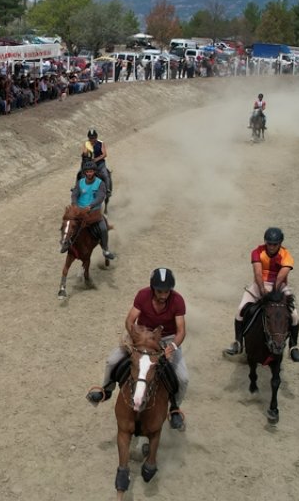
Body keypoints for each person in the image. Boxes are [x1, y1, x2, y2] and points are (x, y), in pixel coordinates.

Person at [85, 268, 188, 431]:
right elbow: (130, 320)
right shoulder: (142, 295)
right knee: (112, 360)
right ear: (153, 288)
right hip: (142, 336)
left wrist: (172, 347)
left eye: (167, 291)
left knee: (183, 378)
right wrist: (135, 336)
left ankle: (174, 408)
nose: (163, 295)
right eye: (160, 291)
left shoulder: (178, 301)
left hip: (166, 339)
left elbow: (181, 330)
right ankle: (106, 390)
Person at [224, 227, 299, 362]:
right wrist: (262, 290)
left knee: (294, 315)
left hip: (279, 287)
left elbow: (280, 277)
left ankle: (293, 346)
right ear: (265, 242)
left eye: (275, 244)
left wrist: (273, 293)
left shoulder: (286, 255)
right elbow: (257, 272)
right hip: (260, 284)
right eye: (269, 243)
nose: (272, 247)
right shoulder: (257, 252)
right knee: (240, 310)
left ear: (280, 243)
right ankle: (238, 342)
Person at [72, 161, 115, 260]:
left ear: (94, 172)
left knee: (103, 228)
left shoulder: (100, 183)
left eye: (91, 171)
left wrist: (91, 206)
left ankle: (105, 250)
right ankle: (67, 243)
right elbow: (75, 194)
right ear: (85, 172)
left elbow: (100, 197)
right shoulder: (80, 182)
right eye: (87, 172)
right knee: (68, 224)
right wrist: (74, 204)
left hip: (94, 212)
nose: (89, 173)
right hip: (81, 211)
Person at [81, 128, 113, 197]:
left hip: (100, 164)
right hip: (89, 165)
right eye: (90, 138)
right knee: (80, 173)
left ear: (96, 137)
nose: (92, 139)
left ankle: (108, 190)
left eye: (93, 137)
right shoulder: (86, 143)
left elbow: (104, 154)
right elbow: (85, 153)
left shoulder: (101, 143)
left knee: (105, 175)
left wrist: (96, 159)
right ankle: (77, 188)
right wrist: (86, 151)